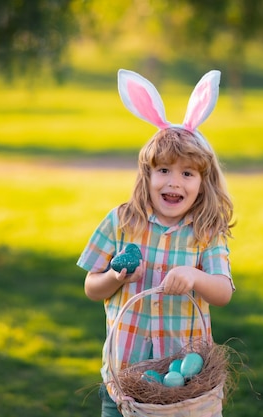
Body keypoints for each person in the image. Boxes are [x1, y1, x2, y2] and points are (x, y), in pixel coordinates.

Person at [77, 69, 235, 417]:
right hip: (124, 380)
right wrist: (115, 278)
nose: (173, 182)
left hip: (185, 386)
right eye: (163, 170)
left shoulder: (206, 231)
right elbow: (91, 286)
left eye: (187, 173)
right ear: (146, 176)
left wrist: (194, 277)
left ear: (202, 182)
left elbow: (223, 292)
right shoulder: (120, 221)